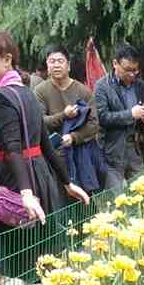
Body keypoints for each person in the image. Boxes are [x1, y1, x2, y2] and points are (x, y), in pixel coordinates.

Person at [0, 29, 89, 279]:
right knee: (43, 255)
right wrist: (66, 182)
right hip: (41, 177)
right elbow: (46, 145)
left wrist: (25, 194)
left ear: (6, 59)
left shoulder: (3, 97)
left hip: (17, 182)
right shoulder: (25, 91)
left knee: (26, 259)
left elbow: (14, 149)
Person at [34, 45, 101, 192]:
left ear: (68, 65)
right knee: (56, 200)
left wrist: (73, 137)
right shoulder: (40, 91)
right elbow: (40, 121)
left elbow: (94, 124)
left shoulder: (83, 91)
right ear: (47, 65)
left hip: (81, 154)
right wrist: (64, 115)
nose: (56, 65)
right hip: (52, 154)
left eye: (60, 61)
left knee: (84, 199)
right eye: (52, 61)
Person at [94, 43, 144, 190]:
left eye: (135, 70)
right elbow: (102, 117)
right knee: (115, 202)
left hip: (137, 148)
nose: (132, 74)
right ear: (115, 64)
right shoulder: (102, 86)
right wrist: (131, 114)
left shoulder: (139, 85)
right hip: (113, 151)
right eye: (128, 70)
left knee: (142, 196)